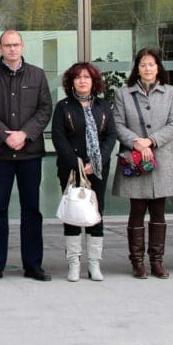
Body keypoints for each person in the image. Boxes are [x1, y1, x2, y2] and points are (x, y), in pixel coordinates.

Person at [0, 29, 53, 283]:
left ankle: (33, 265)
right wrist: (5, 136)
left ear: (22, 47)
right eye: (7, 45)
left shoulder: (37, 75)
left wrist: (25, 134)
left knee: (31, 209)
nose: (12, 49)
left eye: (16, 44)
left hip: (29, 153)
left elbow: (44, 109)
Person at [112, 47, 173, 279]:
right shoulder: (124, 93)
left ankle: (157, 261)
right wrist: (137, 143)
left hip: (161, 157)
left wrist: (151, 141)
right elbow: (118, 124)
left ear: (158, 67)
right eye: (143, 65)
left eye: (151, 64)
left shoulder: (171, 92)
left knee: (159, 211)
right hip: (135, 159)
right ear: (137, 68)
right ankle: (137, 261)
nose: (148, 69)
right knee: (137, 210)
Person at [51, 62, 117, 282]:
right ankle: (74, 263)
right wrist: (77, 163)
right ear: (71, 81)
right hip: (70, 169)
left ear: (93, 81)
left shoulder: (103, 106)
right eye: (78, 77)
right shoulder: (63, 107)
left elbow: (110, 136)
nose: (82, 81)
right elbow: (59, 137)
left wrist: (97, 161)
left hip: (97, 169)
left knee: (96, 214)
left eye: (87, 77)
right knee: (73, 213)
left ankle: (94, 264)